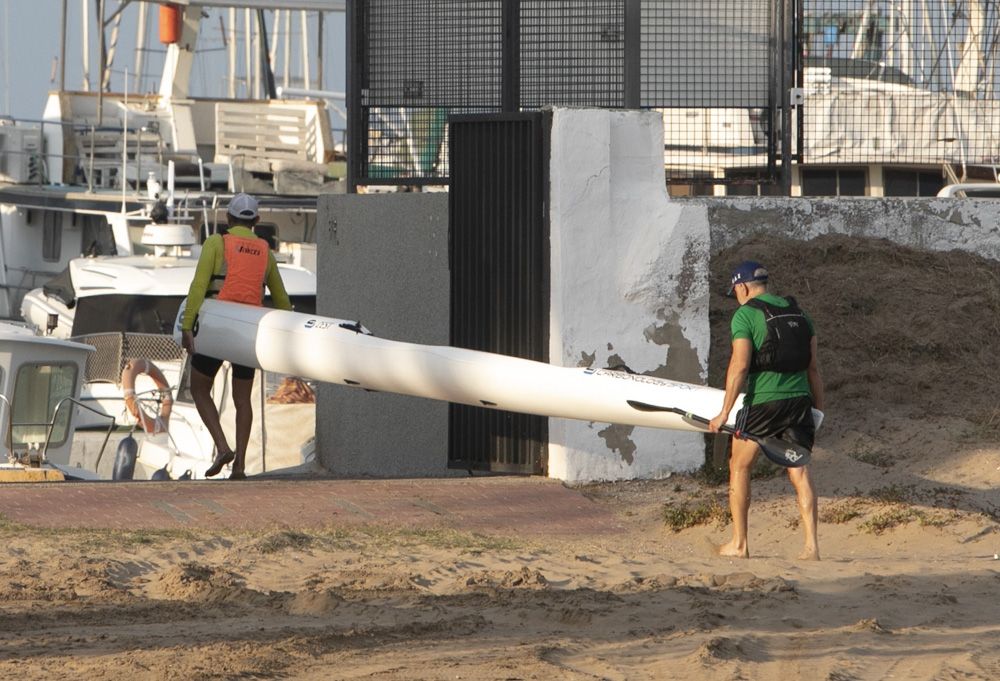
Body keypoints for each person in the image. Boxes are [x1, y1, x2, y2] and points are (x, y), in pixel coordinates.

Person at [708, 260, 826, 560]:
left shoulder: (745, 315)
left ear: (742, 286)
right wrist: (817, 411)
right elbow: (813, 369)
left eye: (735, 290)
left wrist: (724, 412)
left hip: (763, 403)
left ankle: (740, 543)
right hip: (799, 401)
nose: (736, 295)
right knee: (799, 468)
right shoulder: (801, 314)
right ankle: (811, 547)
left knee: (739, 466)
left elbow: (740, 367)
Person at [179, 193, 292, 479]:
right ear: (255, 221)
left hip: (217, 325)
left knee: (200, 388)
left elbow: (198, 286)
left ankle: (221, 446)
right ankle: (240, 466)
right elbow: (281, 300)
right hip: (248, 329)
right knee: (243, 400)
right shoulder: (265, 251)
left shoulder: (217, 243)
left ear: (228, 219)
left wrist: (187, 327)